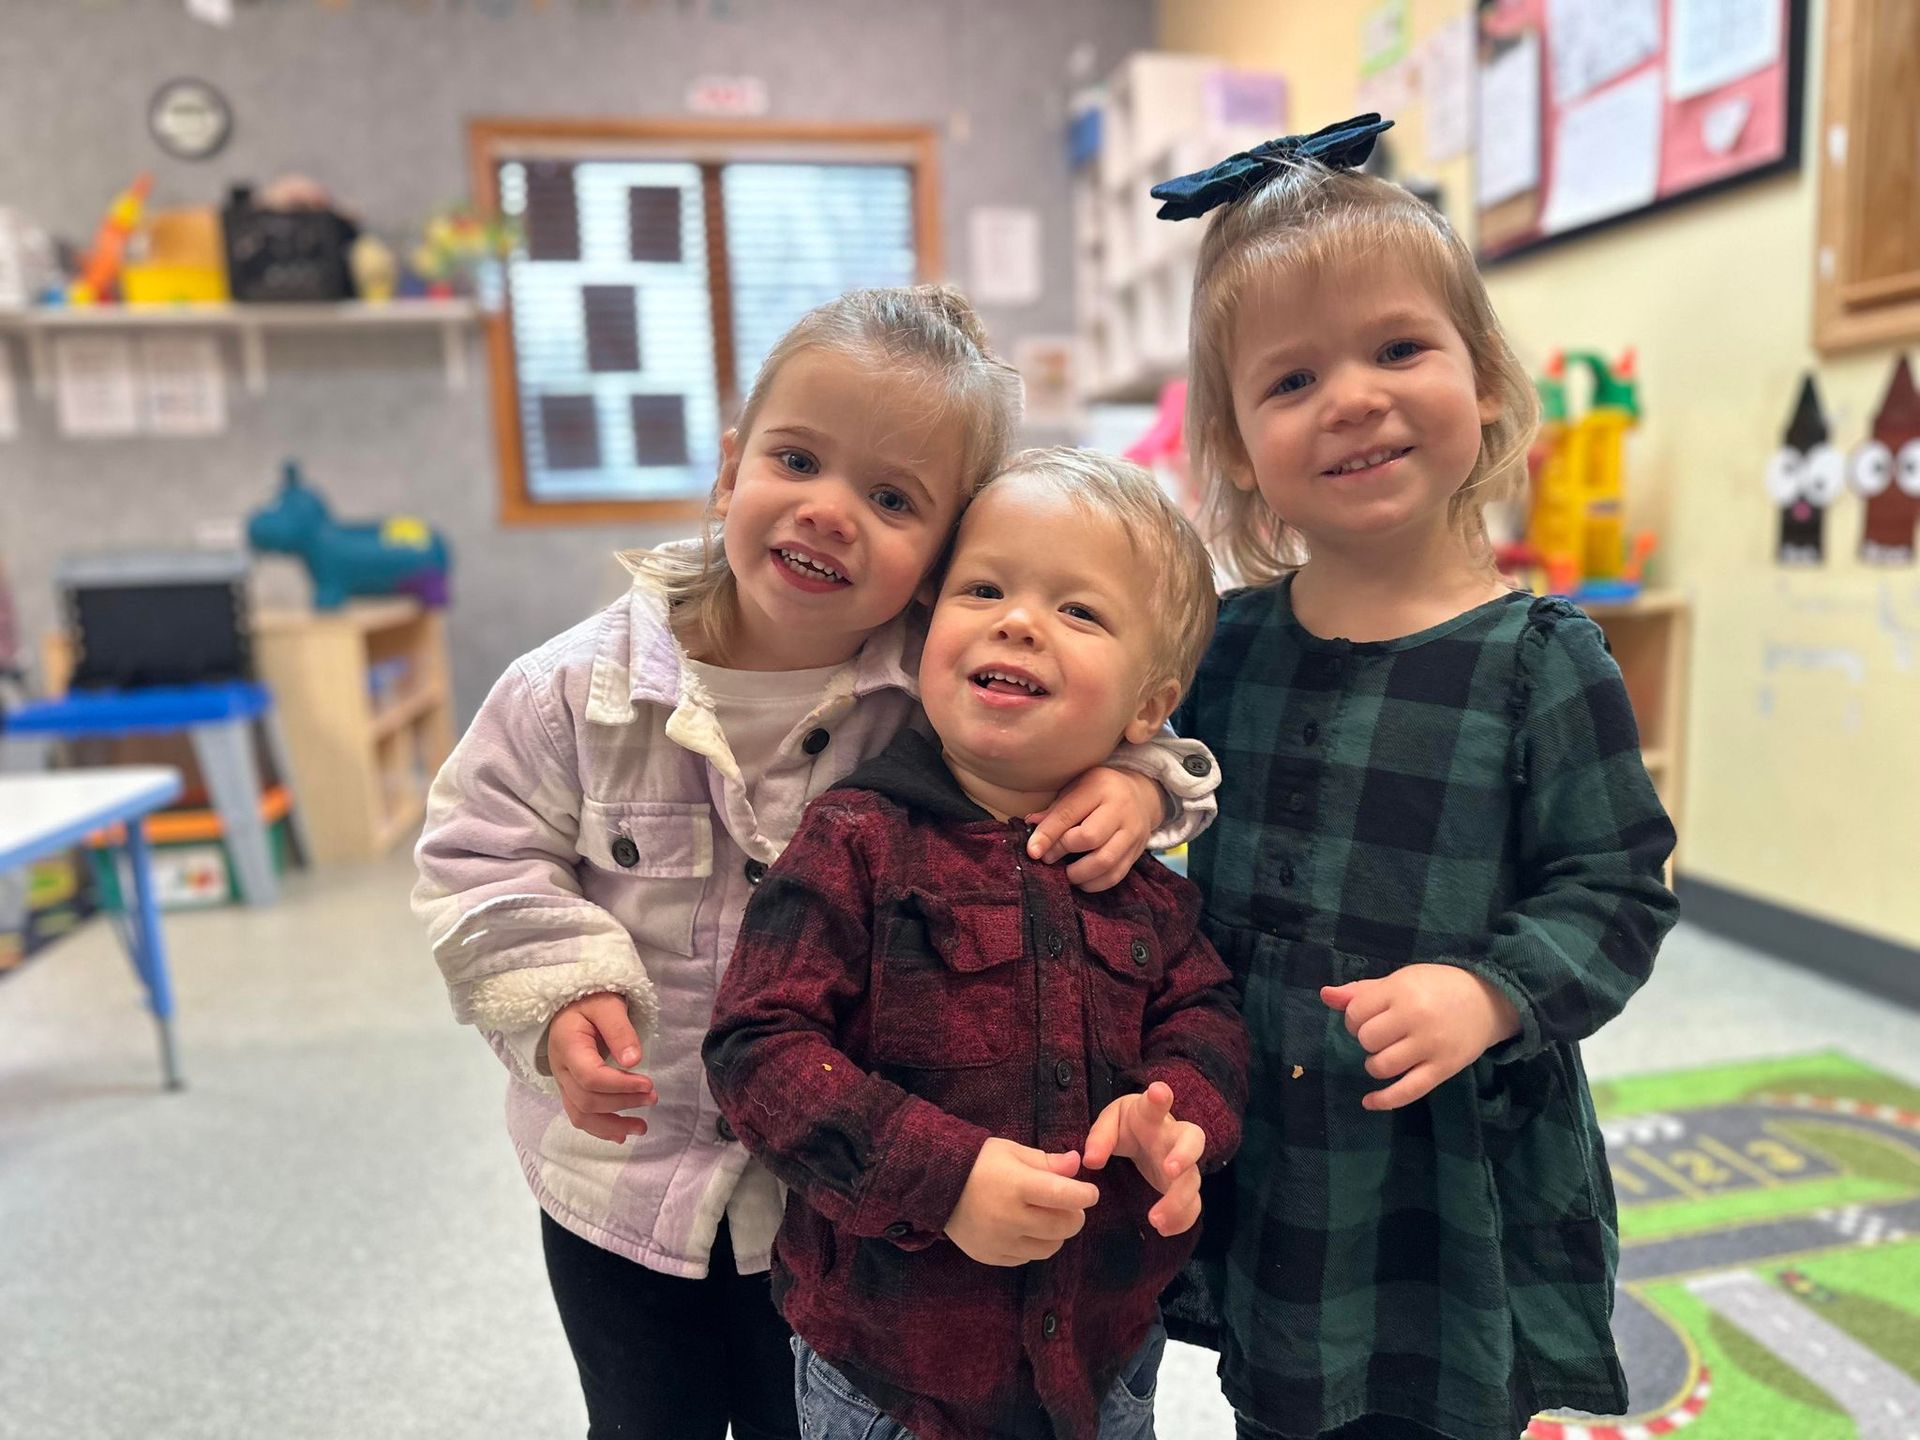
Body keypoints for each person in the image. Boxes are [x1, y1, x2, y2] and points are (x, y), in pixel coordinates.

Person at [412, 289, 1220, 1440]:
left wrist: (1140, 780)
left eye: (892, 499)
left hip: (832, 1197)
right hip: (624, 1186)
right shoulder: (569, 692)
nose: (831, 511)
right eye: (797, 459)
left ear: (939, 560)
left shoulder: (935, 683)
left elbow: (1101, 723)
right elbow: (477, 853)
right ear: (732, 468)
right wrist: (557, 995)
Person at [1153, 116, 1681, 1440]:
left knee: (1446, 1404)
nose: (1352, 397)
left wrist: (1491, 991)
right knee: (1278, 1388)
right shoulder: (1221, 646)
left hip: (1452, 1165)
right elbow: (1158, 784)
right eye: (1291, 381)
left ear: (1486, 380)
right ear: (1236, 445)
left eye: (1398, 349)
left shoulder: (1543, 662)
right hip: (1269, 1138)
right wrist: (1131, 790)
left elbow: (1617, 887)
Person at [704, 448, 1252, 1440]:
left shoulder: (1141, 879)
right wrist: (943, 1178)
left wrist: (1184, 1123)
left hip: (1107, 1363)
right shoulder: (857, 841)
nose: (1018, 620)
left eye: (1080, 612)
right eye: (985, 588)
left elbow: (1205, 1012)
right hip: (889, 1381)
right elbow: (757, 1050)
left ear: (1147, 706)